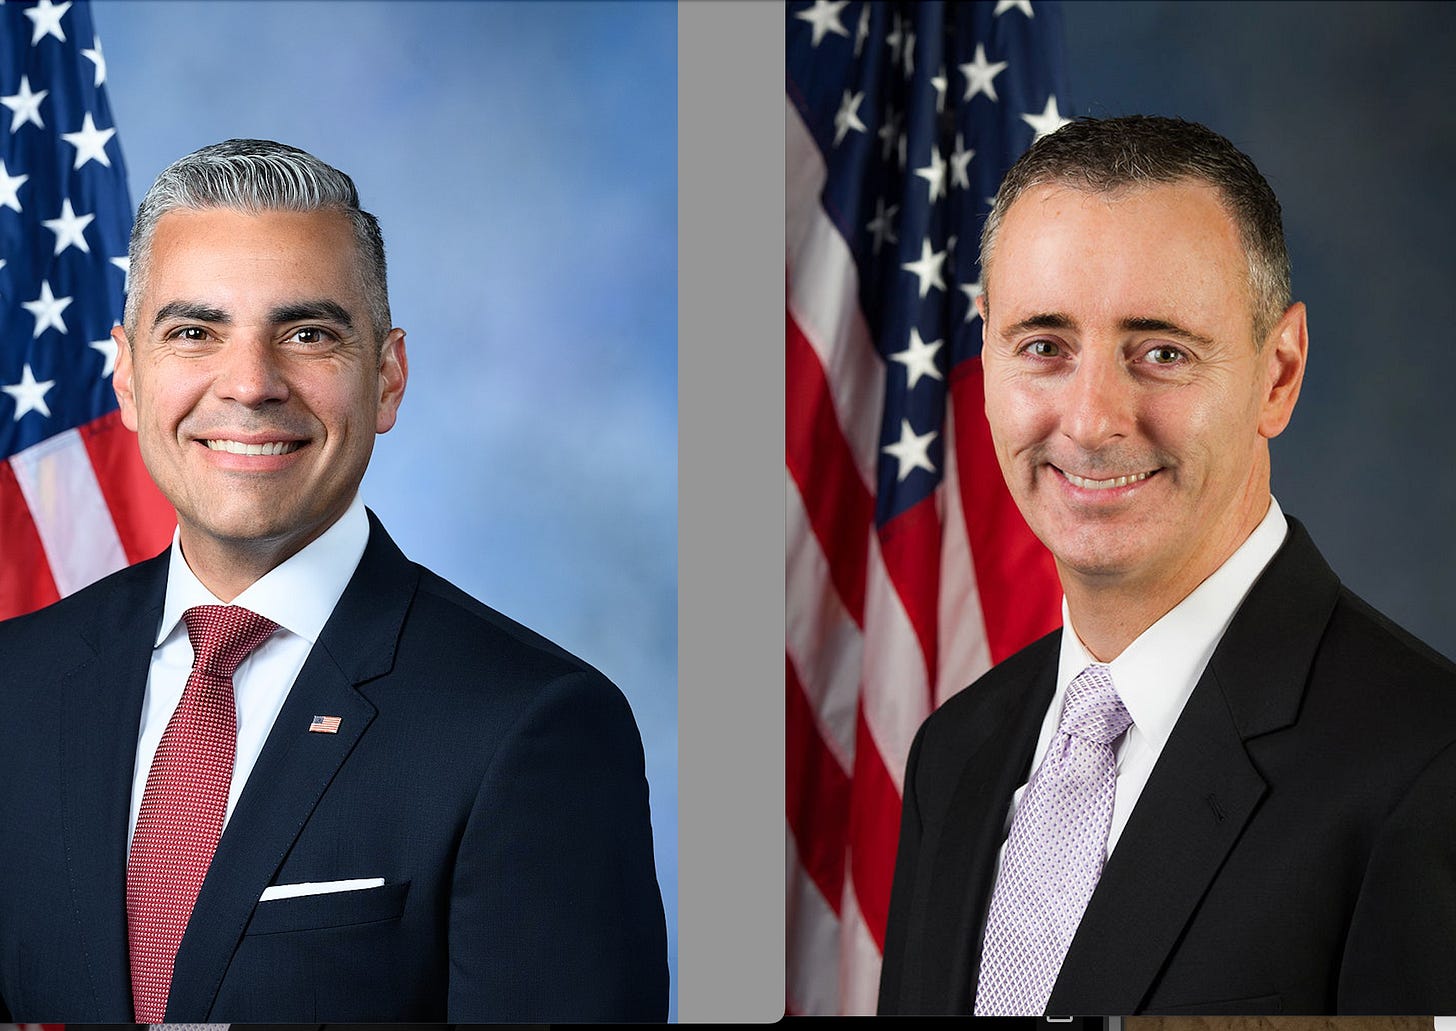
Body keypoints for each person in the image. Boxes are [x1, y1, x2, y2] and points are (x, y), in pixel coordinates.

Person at [0, 139, 668, 1023]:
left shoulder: (533, 725)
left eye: (308, 333)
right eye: (194, 332)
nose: (249, 384)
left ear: (386, 376)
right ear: (126, 375)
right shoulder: (16, 683)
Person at [877, 116, 1456, 1016]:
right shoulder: (957, 754)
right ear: (984, 352)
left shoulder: (1429, 773)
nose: (1094, 419)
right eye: (1043, 346)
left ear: (1278, 373)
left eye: (1162, 353)